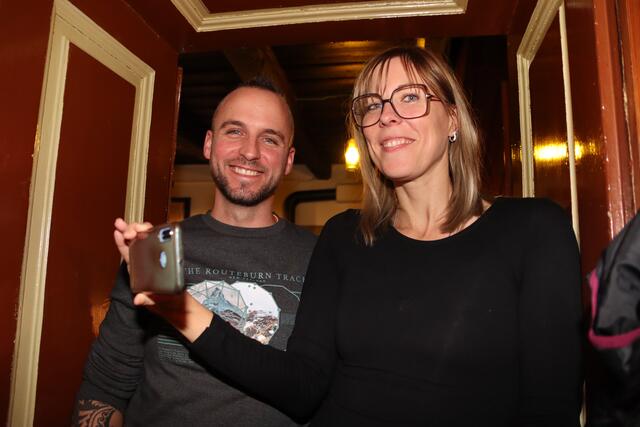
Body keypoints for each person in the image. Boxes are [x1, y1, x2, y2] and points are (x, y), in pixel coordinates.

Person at [118, 47, 583, 426]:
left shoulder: (533, 229)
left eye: (410, 97)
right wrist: (178, 307)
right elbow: (301, 386)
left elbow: (550, 410)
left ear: (454, 119)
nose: (387, 117)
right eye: (372, 105)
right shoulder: (345, 235)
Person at [73, 78, 317, 426]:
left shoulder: (321, 258)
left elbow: (325, 390)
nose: (250, 151)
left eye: (269, 139)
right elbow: (106, 384)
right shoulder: (154, 250)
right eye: (235, 131)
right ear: (208, 144)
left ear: (289, 159)